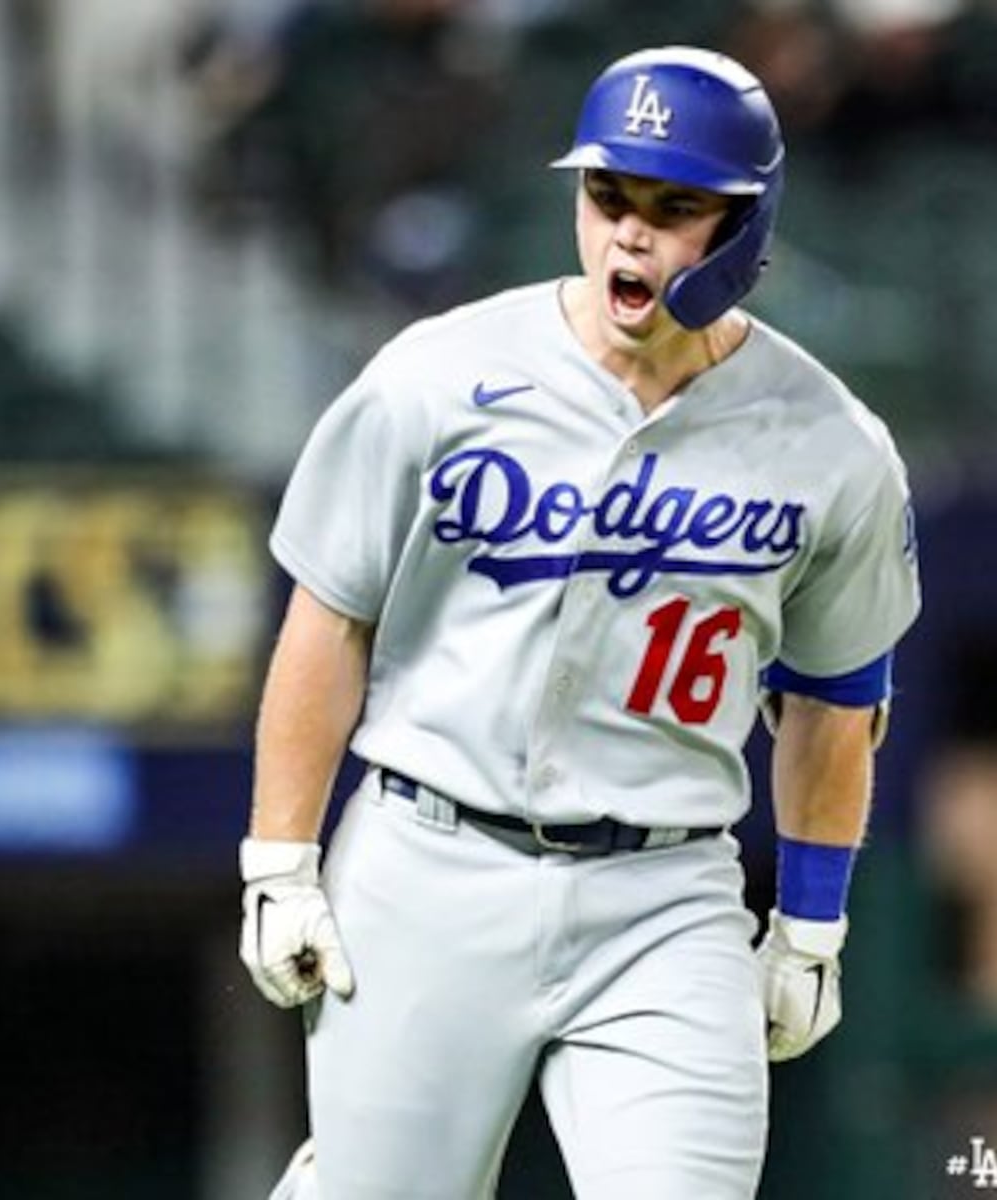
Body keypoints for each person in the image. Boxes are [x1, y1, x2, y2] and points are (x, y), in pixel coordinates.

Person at [238, 45, 922, 1200]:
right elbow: (330, 616)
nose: (630, 237)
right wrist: (279, 860)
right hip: (427, 865)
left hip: (662, 897)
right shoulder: (435, 377)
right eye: (608, 196)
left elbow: (837, 695)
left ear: (747, 225)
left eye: (674, 208)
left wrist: (810, 925)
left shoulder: (832, 444)